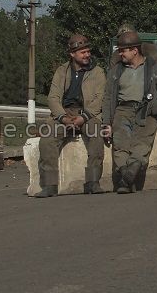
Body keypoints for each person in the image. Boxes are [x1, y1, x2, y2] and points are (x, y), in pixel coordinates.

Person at [34, 34, 106, 197]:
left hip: (88, 113)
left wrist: (83, 117)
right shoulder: (62, 71)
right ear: (72, 54)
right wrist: (63, 118)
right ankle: (49, 185)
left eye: (88, 51)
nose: (87, 55)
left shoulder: (98, 72)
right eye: (83, 52)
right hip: (65, 113)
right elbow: (53, 97)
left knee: (96, 135)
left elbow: (99, 98)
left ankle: (93, 182)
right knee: (47, 137)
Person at [100, 30, 157, 194]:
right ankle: (127, 176)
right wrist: (106, 122)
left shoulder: (154, 67)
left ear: (135, 50)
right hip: (122, 110)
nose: (120, 53)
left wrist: (155, 108)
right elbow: (108, 98)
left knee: (142, 143)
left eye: (123, 50)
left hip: (146, 110)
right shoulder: (116, 71)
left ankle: (127, 177)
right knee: (120, 145)